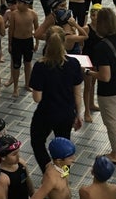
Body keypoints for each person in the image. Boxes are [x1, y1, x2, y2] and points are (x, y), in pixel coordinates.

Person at [29, 26, 83, 172]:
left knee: (37, 141)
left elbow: (37, 98)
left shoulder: (40, 66)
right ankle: (63, 176)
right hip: (66, 112)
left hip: (46, 113)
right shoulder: (74, 63)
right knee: (64, 146)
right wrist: (78, 114)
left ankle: (48, 171)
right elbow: (77, 94)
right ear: (64, 42)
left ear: (46, 42)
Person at [89, 8, 116, 165]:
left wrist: (89, 73)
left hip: (109, 92)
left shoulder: (101, 47)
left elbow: (105, 76)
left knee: (111, 122)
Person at [8, 0, 39, 97]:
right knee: (16, 65)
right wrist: (10, 44)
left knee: (28, 63)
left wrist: (37, 43)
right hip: (17, 42)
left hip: (28, 41)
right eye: (20, 3)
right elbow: (10, 30)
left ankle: (27, 83)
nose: (21, 5)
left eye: (24, 3)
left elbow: (37, 29)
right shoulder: (14, 14)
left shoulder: (33, 14)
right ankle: (15, 87)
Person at [81, 3, 102, 123]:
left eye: (96, 13)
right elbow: (80, 44)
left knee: (93, 83)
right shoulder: (86, 28)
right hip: (87, 59)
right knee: (87, 86)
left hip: (97, 59)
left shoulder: (102, 29)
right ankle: (86, 112)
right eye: (92, 13)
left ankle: (92, 104)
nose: (94, 15)